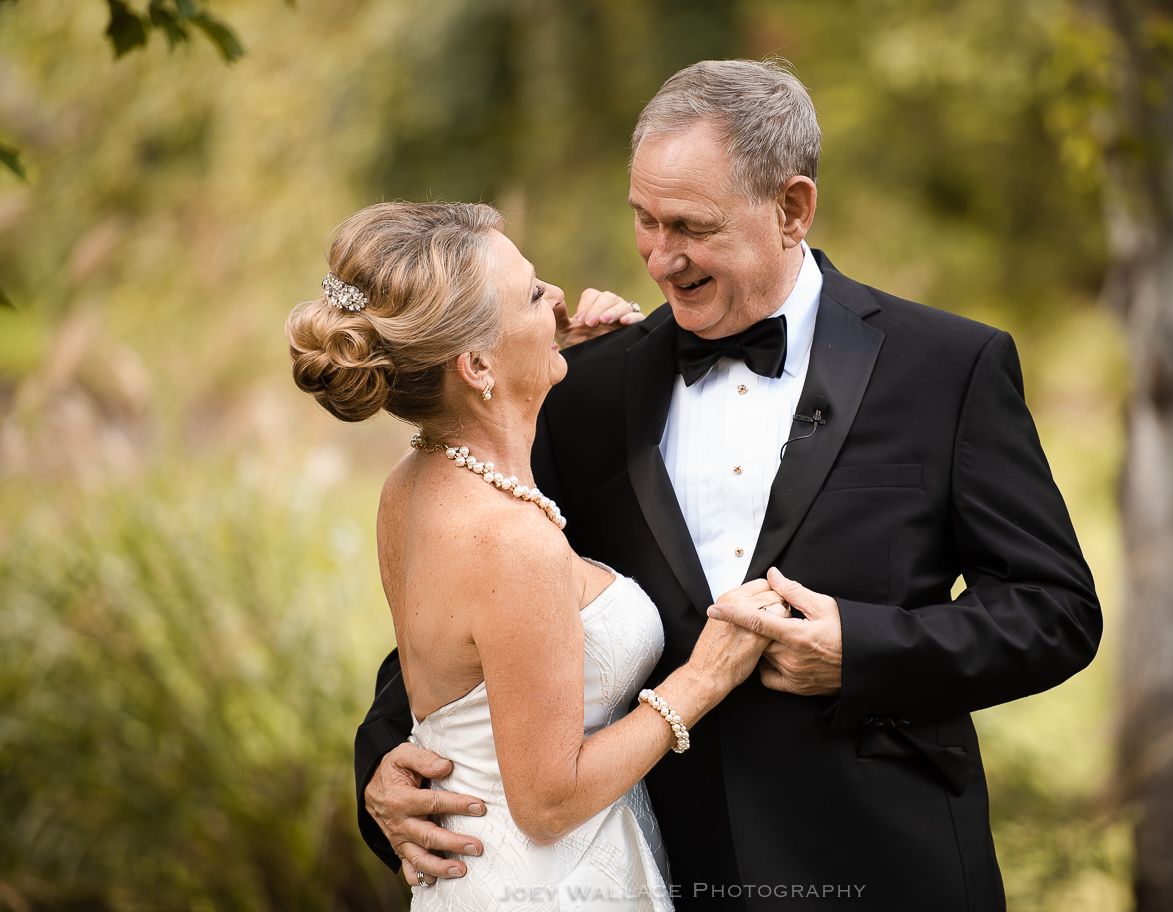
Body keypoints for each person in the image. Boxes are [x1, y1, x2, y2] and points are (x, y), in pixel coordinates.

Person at [357, 60, 1103, 910]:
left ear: (792, 209)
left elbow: (1056, 610)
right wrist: (382, 760)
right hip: (662, 865)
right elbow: (481, 597)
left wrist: (861, 650)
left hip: (888, 867)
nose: (660, 257)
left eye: (691, 226)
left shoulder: (949, 368)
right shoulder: (583, 389)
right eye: (643, 218)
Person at [288, 201, 794, 910]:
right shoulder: (511, 542)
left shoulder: (413, 482)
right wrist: (704, 679)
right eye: (532, 293)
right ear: (473, 364)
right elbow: (548, 802)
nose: (559, 299)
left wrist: (548, 366)